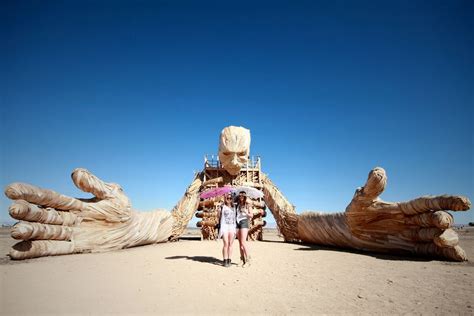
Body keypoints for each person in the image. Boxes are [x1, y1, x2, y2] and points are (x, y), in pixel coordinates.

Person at [217, 193, 237, 267]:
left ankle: (229, 259)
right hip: (224, 226)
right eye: (227, 198)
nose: (229, 199)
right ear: (225, 199)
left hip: (232, 226)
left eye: (230, 198)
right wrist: (218, 211)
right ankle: (225, 260)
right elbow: (218, 216)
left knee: (230, 244)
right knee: (226, 243)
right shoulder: (222, 206)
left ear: (232, 199)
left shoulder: (234, 206)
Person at [235, 191, 253, 267]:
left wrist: (246, 212)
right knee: (239, 243)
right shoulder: (238, 204)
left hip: (244, 222)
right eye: (240, 196)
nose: (241, 197)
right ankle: (242, 259)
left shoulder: (248, 205)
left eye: (242, 195)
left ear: (245, 196)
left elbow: (251, 215)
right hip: (237, 222)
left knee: (243, 242)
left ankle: (248, 260)